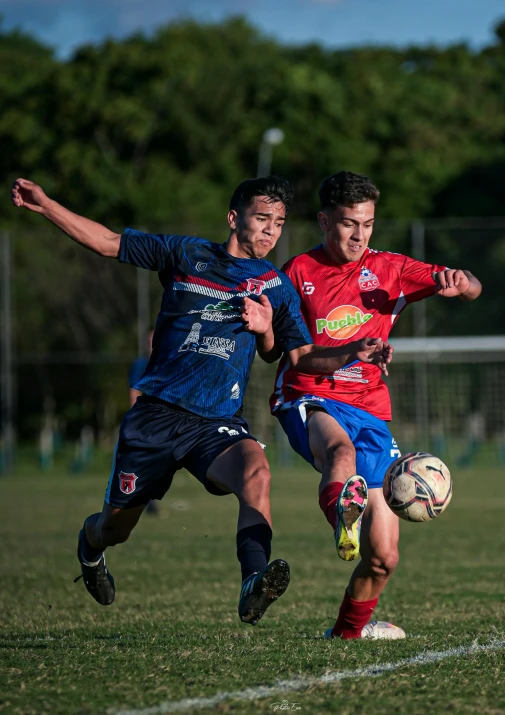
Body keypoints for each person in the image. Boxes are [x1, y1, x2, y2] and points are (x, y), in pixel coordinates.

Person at [11, 174, 393, 627]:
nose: (272, 230)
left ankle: (255, 582)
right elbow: (109, 242)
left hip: (216, 421)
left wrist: (347, 349)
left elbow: (299, 357)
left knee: (256, 472)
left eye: (280, 222)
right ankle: (90, 546)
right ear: (234, 218)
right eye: (262, 219)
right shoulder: (186, 254)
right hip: (156, 414)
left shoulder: (276, 286)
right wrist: (47, 205)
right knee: (116, 528)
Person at [262, 171, 481, 639]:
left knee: (384, 557)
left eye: (367, 224)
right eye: (347, 224)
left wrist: (461, 282)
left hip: (370, 410)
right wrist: (352, 352)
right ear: (324, 221)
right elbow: (295, 358)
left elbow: (474, 288)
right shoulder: (297, 273)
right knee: (339, 455)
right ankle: (344, 513)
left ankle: (345, 635)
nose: (359, 236)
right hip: (308, 393)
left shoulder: (391, 269)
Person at [129, 329, 160, 515]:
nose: (152, 343)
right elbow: (134, 391)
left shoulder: (168, 360)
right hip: (146, 419)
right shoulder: (140, 364)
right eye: (149, 340)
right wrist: (136, 418)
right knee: (144, 460)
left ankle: (148, 498)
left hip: (165, 419)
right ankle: (142, 498)